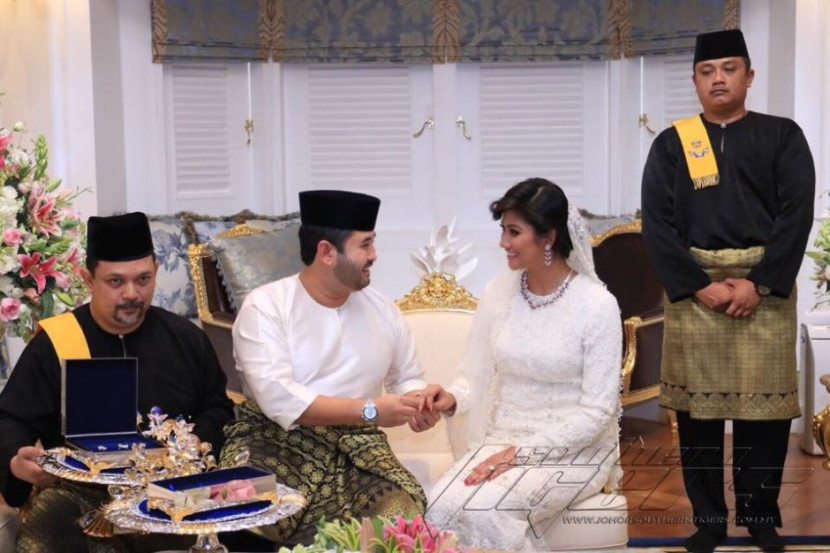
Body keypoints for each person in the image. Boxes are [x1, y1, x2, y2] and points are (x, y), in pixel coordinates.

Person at [641, 29, 815, 553]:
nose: (718, 79)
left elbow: (796, 215)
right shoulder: (672, 143)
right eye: (707, 71)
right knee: (697, 418)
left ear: (749, 75)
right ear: (695, 80)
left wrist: (759, 284)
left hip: (765, 293)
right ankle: (709, 523)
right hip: (698, 295)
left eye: (729, 68)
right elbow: (657, 225)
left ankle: (761, 518)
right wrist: (700, 287)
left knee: (766, 417)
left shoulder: (783, 136)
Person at [220, 190, 446, 544]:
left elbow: (406, 376)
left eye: (373, 243)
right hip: (274, 442)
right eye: (365, 245)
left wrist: (419, 402)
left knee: (398, 515)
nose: (374, 255)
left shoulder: (382, 308)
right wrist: (370, 410)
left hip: (359, 448)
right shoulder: (266, 306)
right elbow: (279, 399)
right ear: (326, 252)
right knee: (250, 514)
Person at [0, 212, 235, 553]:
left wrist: (197, 440)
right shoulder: (57, 341)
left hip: (173, 491)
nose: (131, 293)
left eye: (143, 279)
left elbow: (218, 407)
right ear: (88, 279)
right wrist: (15, 460)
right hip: (78, 493)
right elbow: (10, 417)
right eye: (115, 281)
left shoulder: (186, 338)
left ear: (156, 270)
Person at [423, 178, 623, 552]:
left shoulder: (597, 306)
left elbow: (597, 412)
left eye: (514, 232)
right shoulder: (498, 293)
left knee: (487, 508)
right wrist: (450, 399)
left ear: (548, 237)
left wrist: (522, 454)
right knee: (440, 505)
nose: (503, 242)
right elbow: (475, 376)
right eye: (503, 230)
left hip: (574, 451)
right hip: (501, 441)